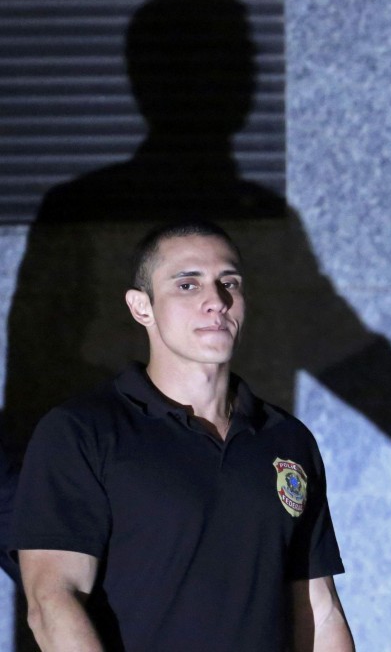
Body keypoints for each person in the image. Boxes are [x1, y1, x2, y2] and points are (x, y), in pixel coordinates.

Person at [11, 221, 355, 651]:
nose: (217, 301)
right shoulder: (84, 431)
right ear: (142, 308)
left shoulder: (286, 440)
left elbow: (319, 609)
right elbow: (53, 599)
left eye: (228, 282)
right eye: (188, 285)